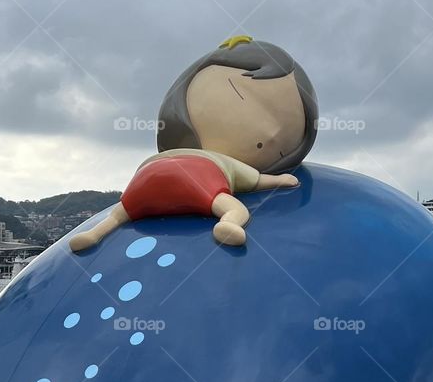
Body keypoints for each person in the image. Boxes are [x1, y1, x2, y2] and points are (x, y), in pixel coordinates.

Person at [69, 36, 318, 251]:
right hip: (200, 186)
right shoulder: (221, 162)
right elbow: (255, 180)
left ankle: (93, 235)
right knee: (236, 210)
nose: (270, 133)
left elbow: (139, 173)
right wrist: (280, 180)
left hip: (143, 184)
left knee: (117, 215)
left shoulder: (157, 159)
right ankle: (229, 224)